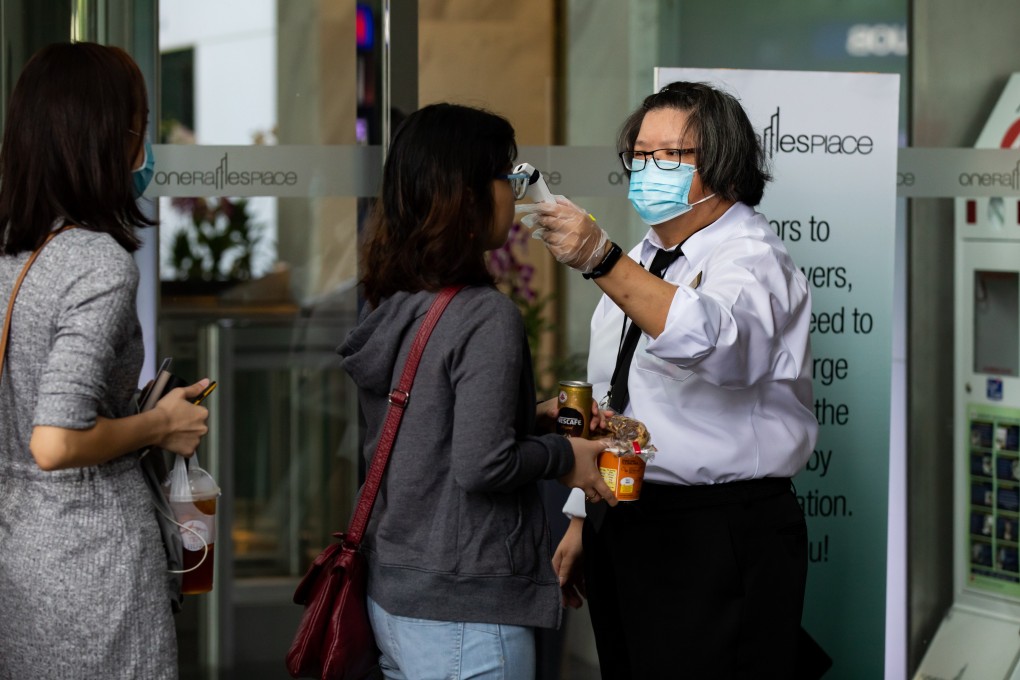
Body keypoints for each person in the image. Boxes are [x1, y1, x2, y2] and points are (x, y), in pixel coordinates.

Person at [531, 81, 818, 678]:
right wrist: (585, 515)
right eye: (640, 155)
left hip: (718, 530)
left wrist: (601, 260)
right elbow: (617, 396)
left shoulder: (752, 255)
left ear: (723, 164)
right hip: (630, 513)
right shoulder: (645, 258)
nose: (648, 168)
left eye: (671, 155)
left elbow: (717, 344)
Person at [338, 102, 615, 680]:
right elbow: (482, 465)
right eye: (505, 177)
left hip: (396, 597)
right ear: (468, 193)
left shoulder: (396, 303)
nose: (514, 196)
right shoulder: (485, 316)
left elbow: (432, 434)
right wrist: (569, 456)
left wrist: (531, 417)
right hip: (466, 614)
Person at [0, 43, 211, 678]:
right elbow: (55, 442)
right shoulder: (96, 263)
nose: (142, 149)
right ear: (105, 138)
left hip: (20, 553)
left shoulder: (12, 257)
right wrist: (160, 425)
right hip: (92, 560)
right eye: (139, 128)